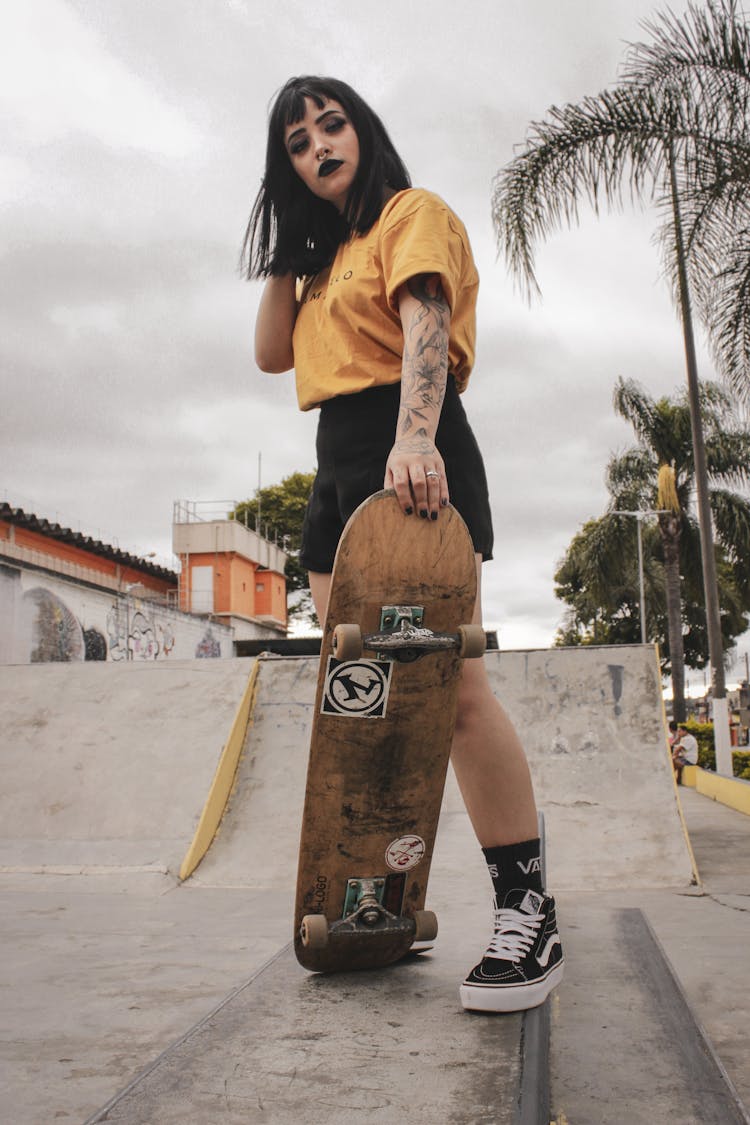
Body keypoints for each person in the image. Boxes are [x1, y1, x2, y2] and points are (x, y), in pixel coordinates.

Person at [245, 76, 563, 1012]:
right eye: (298, 144)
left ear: (363, 130)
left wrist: (416, 436)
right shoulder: (321, 259)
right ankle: (376, 907)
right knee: (365, 709)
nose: (318, 148)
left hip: (408, 454)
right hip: (338, 470)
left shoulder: (407, 214)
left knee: (453, 695)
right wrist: (289, 243)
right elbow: (272, 353)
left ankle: (527, 912)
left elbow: (424, 323)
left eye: (331, 127)